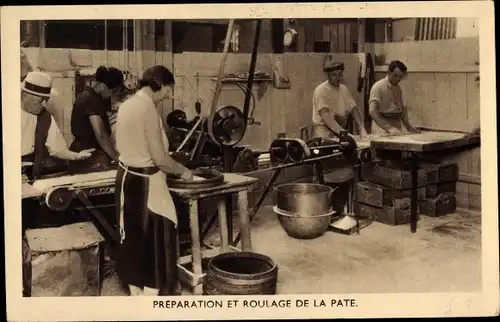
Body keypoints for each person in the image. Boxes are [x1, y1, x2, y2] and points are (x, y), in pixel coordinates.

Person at [114, 65, 194, 296]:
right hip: (147, 183)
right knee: (157, 243)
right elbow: (161, 160)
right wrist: (183, 170)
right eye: (168, 89)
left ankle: (135, 293)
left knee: (132, 239)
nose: (168, 95)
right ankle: (150, 299)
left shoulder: (127, 104)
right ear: (159, 85)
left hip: (127, 178)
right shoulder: (147, 108)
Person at [21, 71, 93, 297]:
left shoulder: (44, 117)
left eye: (46, 100)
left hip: (29, 174)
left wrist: (77, 156)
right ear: (24, 94)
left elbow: (57, 148)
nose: (43, 104)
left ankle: (28, 276)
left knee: (28, 223)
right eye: (39, 99)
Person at [311, 60, 367, 217]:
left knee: (345, 174)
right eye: (333, 74)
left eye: (340, 74)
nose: (337, 77)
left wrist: (361, 127)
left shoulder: (344, 89)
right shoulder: (321, 90)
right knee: (328, 175)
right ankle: (326, 211)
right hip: (325, 136)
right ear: (327, 75)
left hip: (340, 134)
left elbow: (354, 109)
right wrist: (345, 135)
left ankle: (340, 210)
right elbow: (327, 117)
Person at [68, 66, 124, 174]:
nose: (111, 95)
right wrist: (117, 158)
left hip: (81, 152)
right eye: (112, 91)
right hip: (90, 156)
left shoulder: (84, 94)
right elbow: (101, 135)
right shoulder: (92, 99)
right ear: (103, 86)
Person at [369, 60, 419, 135]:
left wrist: (408, 126)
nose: (398, 79)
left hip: (396, 125)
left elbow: (401, 109)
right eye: (395, 75)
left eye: (400, 77)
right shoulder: (378, 87)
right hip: (382, 127)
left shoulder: (398, 89)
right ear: (389, 72)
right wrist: (389, 127)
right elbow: (372, 112)